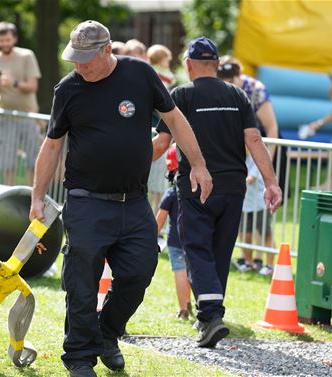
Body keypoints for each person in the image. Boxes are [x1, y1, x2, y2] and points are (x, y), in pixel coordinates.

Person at [29, 20, 212, 377]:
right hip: (85, 202)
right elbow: (52, 145)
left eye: (86, 59)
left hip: (133, 202)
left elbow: (175, 120)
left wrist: (200, 165)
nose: (79, 66)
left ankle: (107, 332)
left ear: (107, 50)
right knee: (81, 286)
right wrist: (37, 196)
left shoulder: (140, 75)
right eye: (74, 59)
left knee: (139, 273)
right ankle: (80, 358)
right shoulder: (68, 90)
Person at [153, 37, 282, 348]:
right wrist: (271, 182)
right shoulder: (237, 95)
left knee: (196, 247)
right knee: (220, 252)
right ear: (216, 64)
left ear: (188, 64)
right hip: (233, 188)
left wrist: (125, 166)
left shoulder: (180, 95)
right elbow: (254, 140)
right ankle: (210, 316)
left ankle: (211, 315)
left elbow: (160, 144)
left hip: (197, 187)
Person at [0, 21, 42, 185]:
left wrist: (13, 83)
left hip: (28, 116)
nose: (5, 43)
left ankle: (30, 196)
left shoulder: (27, 56)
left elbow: (33, 87)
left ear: (14, 39)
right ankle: (9, 197)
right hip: (6, 118)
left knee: (33, 160)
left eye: (8, 40)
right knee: (8, 163)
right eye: (1, 40)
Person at [155, 145, 193, 320]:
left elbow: (160, 218)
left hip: (175, 240)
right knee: (195, 272)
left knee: (180, 273)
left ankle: (183, 309)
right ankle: (196, 304)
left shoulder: (171, 194)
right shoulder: (196, 192)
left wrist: (152, 237)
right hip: (194, 239)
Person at [146, 44, 176, 213]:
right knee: (158, 186)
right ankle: (156, 223)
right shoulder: (161, 78)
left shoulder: (149, 74)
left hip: (153, 131)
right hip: (157, 131)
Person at [236, 150, 275, 276]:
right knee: (245, 234)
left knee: (266, 234)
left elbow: (251, 178)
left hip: (259, 203)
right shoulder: (238, 155)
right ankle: (248, 262)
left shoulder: (256, 157)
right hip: (244, 204)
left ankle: (270, 265)